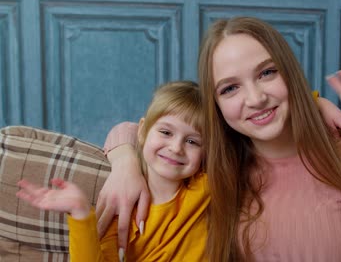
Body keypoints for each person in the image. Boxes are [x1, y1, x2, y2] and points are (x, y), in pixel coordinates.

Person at [97, 17, 341, 261]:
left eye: (267, 73)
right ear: (217, 107)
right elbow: (143, 128)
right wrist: (126, 160)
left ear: (290, 74)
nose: (255, 98)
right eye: (230, 88)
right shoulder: (220, 166)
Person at [16, 81, 210, 261]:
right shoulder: (121, 206)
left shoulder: (208, 187)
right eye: (166, 132)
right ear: (142, 131)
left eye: (192, 141)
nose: (176, 148)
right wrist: (80, 213)